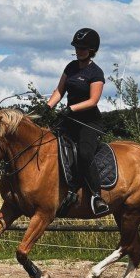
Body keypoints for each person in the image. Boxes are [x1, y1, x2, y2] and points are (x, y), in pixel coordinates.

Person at [46, 27, 109, 215]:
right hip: (68, 119)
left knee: (84, 153)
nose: (78, 51)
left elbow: (93, 101)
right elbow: (59, 91)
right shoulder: (71, 67)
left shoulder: (95, 73)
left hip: (88, 122)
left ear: (91, 50)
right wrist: (47, 107)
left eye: (82, 48)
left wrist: (70, 108)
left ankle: (96, 196)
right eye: (76, 47)